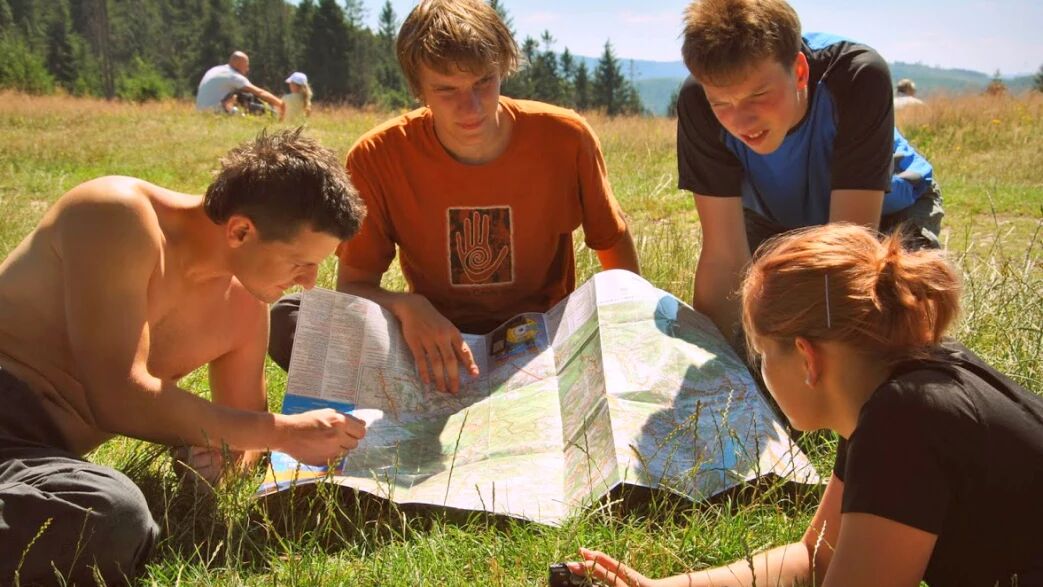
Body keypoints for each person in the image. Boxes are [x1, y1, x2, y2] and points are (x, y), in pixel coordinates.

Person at [569, 223, 1043, 586]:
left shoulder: (904, 421)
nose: (760, 371)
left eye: (761, 354)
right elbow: (816, 558)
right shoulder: (893, 392)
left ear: (806, 358)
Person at [0, 130, 368, 585]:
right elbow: (116, 397)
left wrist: (217, 465)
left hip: (35, 458)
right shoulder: (116, 216)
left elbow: (245, 439)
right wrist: (284, 432)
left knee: (111, 516)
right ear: (240, 230)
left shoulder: (244, 307)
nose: (309, 281)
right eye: (300, 263)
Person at [268, 0, 640, 394]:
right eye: (446, 90)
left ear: (503, 68)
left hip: (542, 340)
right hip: (434, 343)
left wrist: (631, 333)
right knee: (292, 318)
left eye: (484, 82)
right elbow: (355, 286)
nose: (471, 107)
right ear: (419, 89)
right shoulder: (377, 155)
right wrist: (407, 307)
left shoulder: (565, 137)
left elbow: (612, 245)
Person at [676, 0, 943, 343]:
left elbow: (848, 253)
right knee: (760, 323)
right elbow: (724, 257)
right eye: (721, 103)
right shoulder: (697, 100)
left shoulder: (857, 76)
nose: (742, 122)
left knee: (893, 327)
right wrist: (718, 360)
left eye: (758, 94)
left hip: (888, 211)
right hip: (777, 216)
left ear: (800, 72)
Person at [196, 51, 286, 121]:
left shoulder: (215, 69)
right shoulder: (234, 76)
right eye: (246, 65)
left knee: (241, 95)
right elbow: (260, 93)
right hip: (215, 113)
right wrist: (280, 104)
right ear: (239, 64)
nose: (247, 69)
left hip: (201, 112)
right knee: (250, 98)